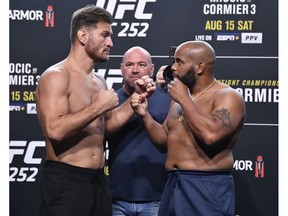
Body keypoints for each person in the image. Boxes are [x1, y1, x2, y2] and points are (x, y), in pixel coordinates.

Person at [35, 5, 155, 216]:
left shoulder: (99, 81)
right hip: (66, 181)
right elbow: (54, 130)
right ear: (82, 35)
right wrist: (99, 106)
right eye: (105, 35)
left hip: (98, 181)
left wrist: (136, 99)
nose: (110, 42)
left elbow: (105, 128)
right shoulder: (56, 76)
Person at [130, 40, 246, 216]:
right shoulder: (180, 97)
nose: (173, 68)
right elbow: (164, 140)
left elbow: (211, 135)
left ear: (199, 67)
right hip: (174, 184)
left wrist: (184, 99)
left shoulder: (228, 96)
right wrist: (144, 115)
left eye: (179, 62)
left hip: (206, 186)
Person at [106, 46, 171, 216]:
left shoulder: (168, 99)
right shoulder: (109, 101)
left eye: (141, 64)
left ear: (152, 69)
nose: (135, 70)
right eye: (129, 64)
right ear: (121, 69)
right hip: (116, 197)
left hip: (158, 196)